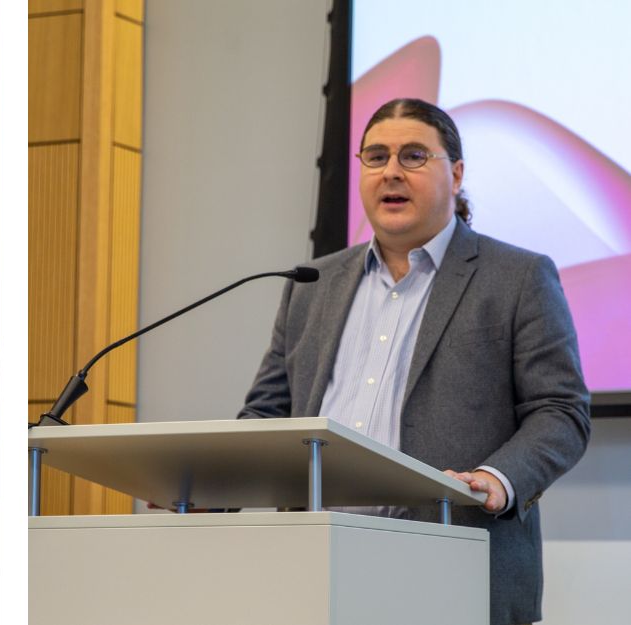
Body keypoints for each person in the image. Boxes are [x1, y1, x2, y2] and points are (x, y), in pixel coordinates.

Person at [238, 98, 589, 625]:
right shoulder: (312, 284)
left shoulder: (517, 277)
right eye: (376, 156)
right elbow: (267, 413)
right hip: (314, 574)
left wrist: (498, 477)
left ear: (457, 173)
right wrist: (213, 485)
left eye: (414, 156)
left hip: (455, 568)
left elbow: (560, 411)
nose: (392, 172)